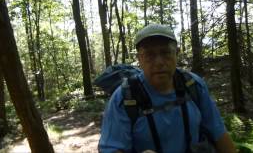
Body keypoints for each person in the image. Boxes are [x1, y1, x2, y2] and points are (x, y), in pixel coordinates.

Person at [98, 24, 236, 153]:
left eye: (165, 53)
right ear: (139, 58)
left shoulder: (193, 85)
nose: (159, 62)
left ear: (177, 53)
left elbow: (218, 133)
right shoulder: (125, 97)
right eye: (149, 55)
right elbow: (112, 148)